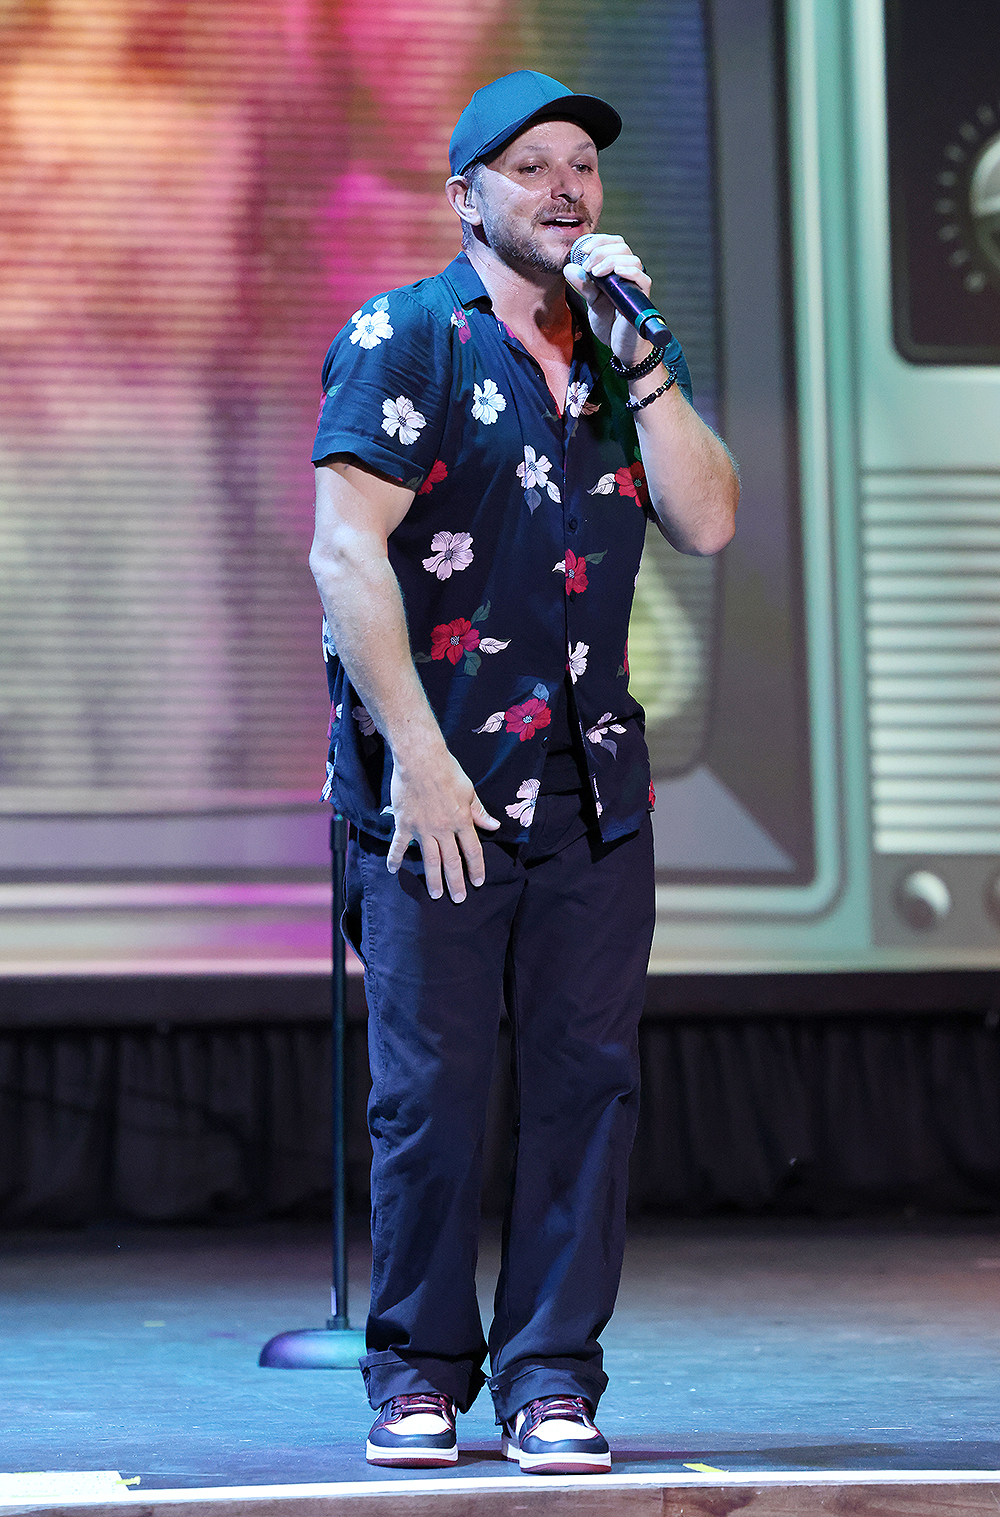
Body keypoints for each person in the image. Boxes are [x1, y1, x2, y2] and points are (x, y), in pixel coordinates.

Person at [308, 69, 738, 1475]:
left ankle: (552, 1371)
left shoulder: (617, 349)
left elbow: (711, 518)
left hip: (592, 783)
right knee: (430, 1090)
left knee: (585, 1081)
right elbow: (341, 552)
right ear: (466, 196)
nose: (567, 189)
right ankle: (418, 1369)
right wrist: (421, 761)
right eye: (532, 166)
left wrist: (652, 354)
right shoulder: (405, 336)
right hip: (438, 779)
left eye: (583, 169)